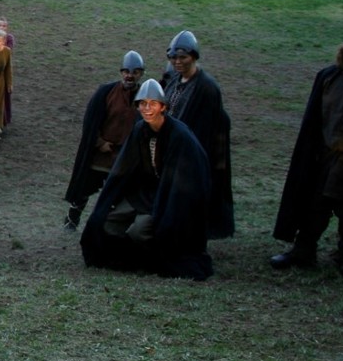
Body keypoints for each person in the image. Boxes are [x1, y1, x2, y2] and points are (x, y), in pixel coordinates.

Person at [79, 80, 214, 280]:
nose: (147, 108)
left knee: (139, 232)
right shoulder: (140, 130)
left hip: (170, 198)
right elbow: (124, 167)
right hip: (144, 194)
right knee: (105, 222)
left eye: (152, 103)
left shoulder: (181, 136)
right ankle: (128, 259)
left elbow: (188, 180)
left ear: (163, 107)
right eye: (142, 104)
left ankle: (149, 260)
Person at [270, 19, 343, 277]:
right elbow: (314, 121)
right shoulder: (329, 77)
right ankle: (303, 251)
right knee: (313, 207)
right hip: (325, 159)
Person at [159, 30, 233, 238]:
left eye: (183, 57)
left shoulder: (207, 87)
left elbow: (208, 129)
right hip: (170, 150)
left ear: (194, 56)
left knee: (186, 202)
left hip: (191, 155)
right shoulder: (174, 80)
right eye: (173, 57)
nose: (177, 62)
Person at [64, 51, 147, 229]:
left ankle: (109, 227)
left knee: (118, 196)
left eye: (134, 72)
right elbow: (91, 122)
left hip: (124, 158)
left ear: (141, 74)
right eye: (126, 71)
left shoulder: (145, 97)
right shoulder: (106, 92)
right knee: (84, 190)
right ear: (121, 72)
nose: (129, 76)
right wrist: (100, 143)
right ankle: (71, 221)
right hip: (101, 155)